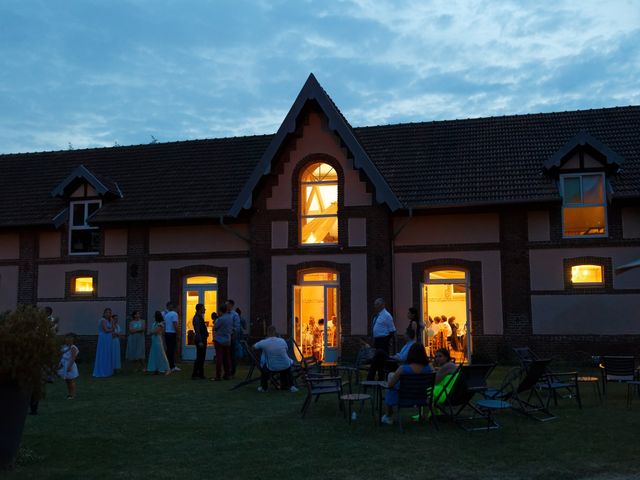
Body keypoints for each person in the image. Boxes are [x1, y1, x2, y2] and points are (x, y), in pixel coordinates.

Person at [381, 343, 433, 425]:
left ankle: (388, 416)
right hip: (422, 398)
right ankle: (424, 416)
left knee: (390, 387)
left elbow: (390, 385)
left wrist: (390, 377)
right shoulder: (429, 369)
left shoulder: (403, 369)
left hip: (403, 397)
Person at [253, 326, 298, 393]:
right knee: (285, 365)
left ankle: (264, 387)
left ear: (267, 333)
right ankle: (291, 386)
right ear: (275, 332)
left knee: (264, 368)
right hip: (285, 366)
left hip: (272, 367)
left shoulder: (264, 342)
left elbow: (254, 347)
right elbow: (286, 349)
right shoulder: (282, 340)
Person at [367, 298, 396, 381]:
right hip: (377, 340)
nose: (375, 306)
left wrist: (386, 341)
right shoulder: (377, 315)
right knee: (378, 360)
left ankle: (371, 378)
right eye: (375, 304)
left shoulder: (387, 316)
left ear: (382, 305)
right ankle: (379, 377)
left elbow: (392, 330)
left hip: (383, 340)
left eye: (377, 304)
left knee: (379, 359)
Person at [213, 303, 233, 380]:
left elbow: (215, 327)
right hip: (227, 340)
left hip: (219, 340)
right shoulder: (230, 317)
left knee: (219, 358)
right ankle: (227, 374)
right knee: (226, 358)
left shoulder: (220, 319)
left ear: (221, 311)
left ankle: (218, 375)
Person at [147, 311, 171, 375]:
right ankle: (156, 369)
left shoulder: (161, 323)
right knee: (154, 354)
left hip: (158, 340)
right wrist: (152, 332)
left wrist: (151, 332)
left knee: (161, 354)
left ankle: (167, 369)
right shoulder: (155, 323)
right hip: (154, 340)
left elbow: (156, 331)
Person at [93, 308, 114, 377]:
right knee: (103, 353)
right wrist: (111, 329)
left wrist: (112, 322)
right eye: (107, 312)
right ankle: (102, 370)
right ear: (104, 313)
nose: (108, 314)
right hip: (104, 338)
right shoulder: (103, 320)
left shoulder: (109, 320)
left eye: (109, 313)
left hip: (108, 338)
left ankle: (107, 370)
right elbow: (106, 330)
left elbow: (112, 328)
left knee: (107, 353)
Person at [57, 332, 79, 399]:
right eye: (67, 337)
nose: (68, 339)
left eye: (70, 338)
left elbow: (73, 358)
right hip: (64, 364)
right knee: (67, 380)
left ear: (73, 339)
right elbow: (61, 353)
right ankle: (69, 393)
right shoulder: (65, 347)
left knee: (71, 380)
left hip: (69, 364)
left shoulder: (73, 347)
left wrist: (69, 366)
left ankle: (72, 394)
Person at [163, 301, 181, 372]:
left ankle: (169, 365)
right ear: (176, 307)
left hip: (167, 333)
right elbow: (175, 325)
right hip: (171, 334)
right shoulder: (174, 314)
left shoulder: (167, 315)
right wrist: (178, 334)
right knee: (171, 350)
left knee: (169, 350)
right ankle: (171, 366)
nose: (180, 308)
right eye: (179, 307)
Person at [191, 304, 208, 379]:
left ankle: (200, 374)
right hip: (200, 340)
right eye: (204, 308)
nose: (205, 309)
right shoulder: (197, 318)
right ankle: (195, 374)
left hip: (202, 339)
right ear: (200, 309)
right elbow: (197, 331)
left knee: (201, 357)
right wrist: (200, 341)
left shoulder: (199, 317)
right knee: (200, 357)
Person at [226, 299, 241, 376]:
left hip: (231, 337)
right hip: (225, 337)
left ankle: (232, 370)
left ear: (231, 305)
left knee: (232, 354)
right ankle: (227, 370)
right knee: (226, 354)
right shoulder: (224, 314)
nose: (226, 306)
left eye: (227, 304)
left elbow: (237, 327)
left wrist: (232, 335)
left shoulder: (235, 315)